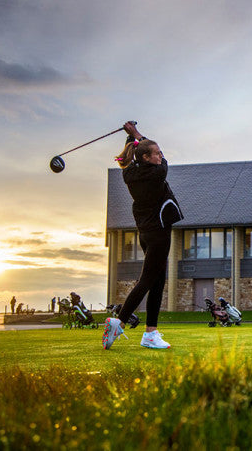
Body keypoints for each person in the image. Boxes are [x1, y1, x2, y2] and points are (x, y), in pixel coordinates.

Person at [102, 122, 183, 350]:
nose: (160, 156)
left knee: (157, 280)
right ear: (147, 158)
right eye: (157, 153)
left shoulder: (130, 173)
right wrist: (136, 134)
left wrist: (131, 137)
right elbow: (161, 160)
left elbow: (134, 151)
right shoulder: (158, 171)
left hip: (147, 234)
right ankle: (119, 321)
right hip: (158, 234)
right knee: (148, 279)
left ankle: (151, 333)